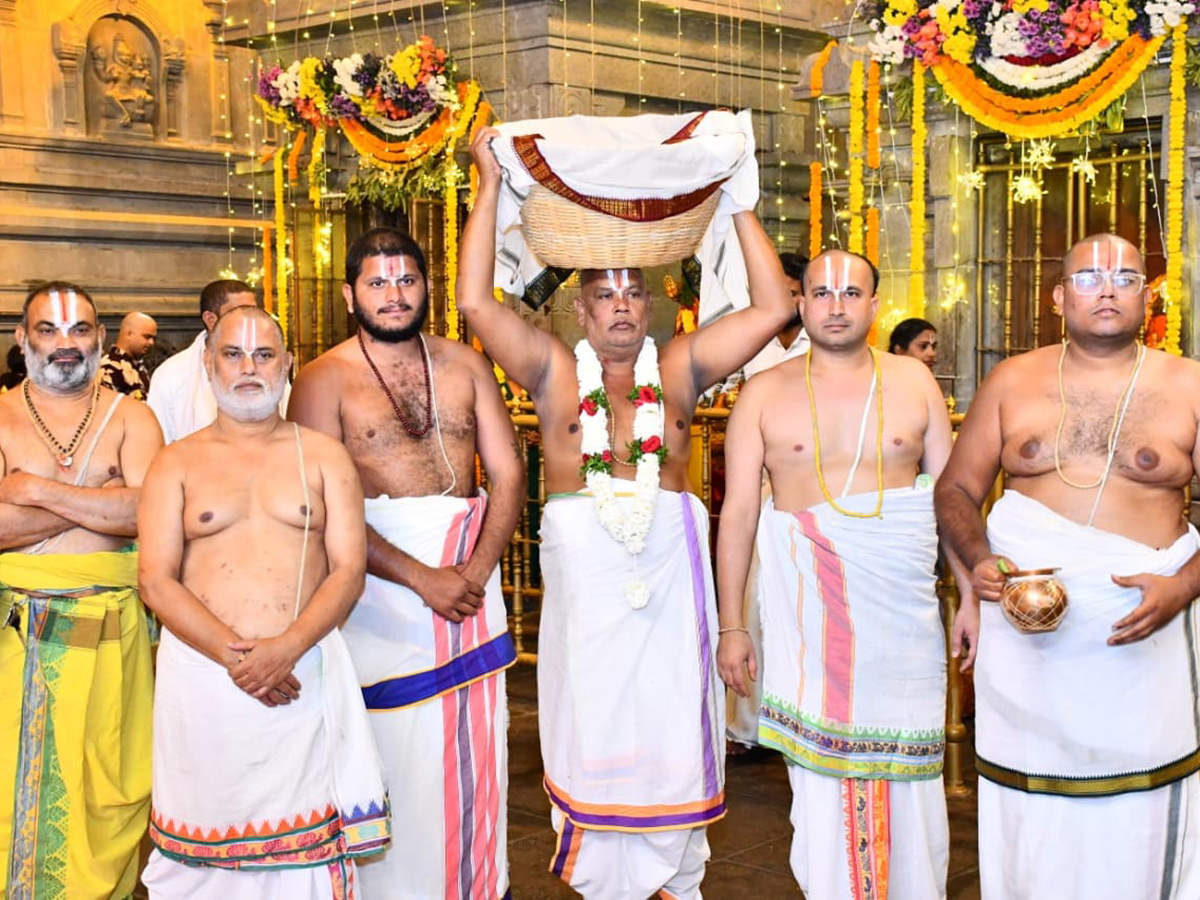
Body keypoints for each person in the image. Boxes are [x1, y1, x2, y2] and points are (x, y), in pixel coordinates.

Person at [457, 127, 794, 899]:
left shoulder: (679, 368)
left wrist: (739, 193)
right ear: (581, 306)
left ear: (652, 302)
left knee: (675, 707)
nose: (619, 306)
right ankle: (608, 877)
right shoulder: (548, 370)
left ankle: (672, 877)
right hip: (588, 566)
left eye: (632, 292)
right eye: (604, 293)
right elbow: (476, 298)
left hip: (669, 568)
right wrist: (486, 186)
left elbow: (775, 306)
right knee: (594, 706)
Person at [935, 233, 1200, 898]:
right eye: (1087, 278)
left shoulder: (1188, 384)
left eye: (1124, 276)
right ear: (1059, 297)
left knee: (1139, 799)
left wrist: (1182, 587)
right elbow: (955, 491)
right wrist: (977, 563)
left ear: (1147, 294)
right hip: (1029, 633)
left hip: (1145, 630)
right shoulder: (1012, 380)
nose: (1106, 289)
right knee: (1034, 800)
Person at [716, 249, 974, 899]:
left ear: (873, 303)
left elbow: (951, 501)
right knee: (825, 788)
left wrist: (971, 596)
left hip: (902, 623)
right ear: (800, 304)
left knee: (911, 781)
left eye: (851, 292)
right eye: (821, 292)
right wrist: (731, 627)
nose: (836, 304)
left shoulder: (914, 384)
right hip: (813, 624)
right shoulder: (763, 393)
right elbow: (740, 512)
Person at [288, 227, 524, 899]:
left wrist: (473, 574)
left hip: (470, 594)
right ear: (350, 294)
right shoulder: (323, 379)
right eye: (378, 282)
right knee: (396, 761)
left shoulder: (466, 365)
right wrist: (424, 578)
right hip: (379, 606)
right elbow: (324, 508)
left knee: (477, 754)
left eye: (407, 280)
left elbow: (507, 475)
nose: (395, 295)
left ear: (427, 287)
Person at [138, 305, 389, 897]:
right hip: (205, 682)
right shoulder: (174, 462)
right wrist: (241, 658)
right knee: (202, 867)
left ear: (288, 364)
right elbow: (155, 580)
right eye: (232, 354)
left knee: (300, 867)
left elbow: (349, 570)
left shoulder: (324, 457)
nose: (248, 368)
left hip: (299, 678)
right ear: (207, 365)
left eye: (263, 354)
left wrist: (286, 649)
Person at [0, 281, 163, 898]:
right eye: (49, 330)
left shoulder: (135, 417)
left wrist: (37, 491)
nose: (65, 345)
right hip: (16, 642)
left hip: (117, 640)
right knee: (14, 788)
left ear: (99, 338)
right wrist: (104, 500)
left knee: (110, 792)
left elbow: (151, 511)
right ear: (22, 339)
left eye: (80, 331)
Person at [147, 280, 288, 443]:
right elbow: (158, 444)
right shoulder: (171, 375)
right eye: (238, 310)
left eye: (252, 310)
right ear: (210, 319)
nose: (249, 318)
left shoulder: (272, 368)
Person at [742, 251, 810, 378]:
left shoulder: (820, 344)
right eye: (775, 291)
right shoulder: (750, 341)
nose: (781, 300)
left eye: (791, 294)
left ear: (806, 297)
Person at [100, 311, 158, 398]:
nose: (151, 342)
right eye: (147, 337)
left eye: (153, 338)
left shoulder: (139, 367)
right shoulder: (109, 368)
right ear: (129, 334)